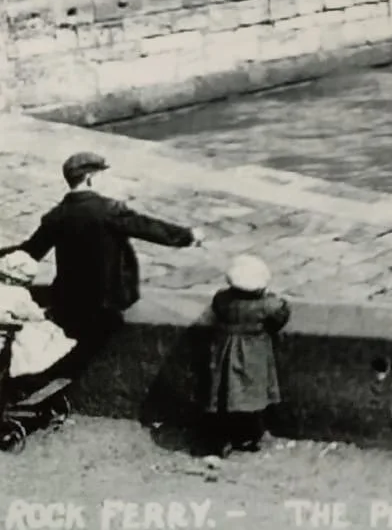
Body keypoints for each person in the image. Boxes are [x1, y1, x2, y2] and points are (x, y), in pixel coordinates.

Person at [0, 151, 202, 376]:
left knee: (68, 346)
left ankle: (43, 390)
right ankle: (46, 391)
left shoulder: (56, 216)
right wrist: (188, 236)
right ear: (90, 178)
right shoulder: (108, 210)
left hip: (69, 300)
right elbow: (147, 227)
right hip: (106, 301)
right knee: (88, 349)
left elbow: (30, 250)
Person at [203, 254, 290, 457]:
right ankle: (252, 435)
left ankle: (224, 438)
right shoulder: (268, 306)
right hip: (254, 353)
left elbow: (216, 307)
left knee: (226, 394)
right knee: (253, 394)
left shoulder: (222, 299)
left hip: (226, 350)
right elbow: (281, 315)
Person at [0, 251, 76, 389]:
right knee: (44, 337)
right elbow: (31, 314)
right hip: (6, 336)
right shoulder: (20, 295)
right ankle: (32, 376)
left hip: (3, 328)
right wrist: (43, 313)